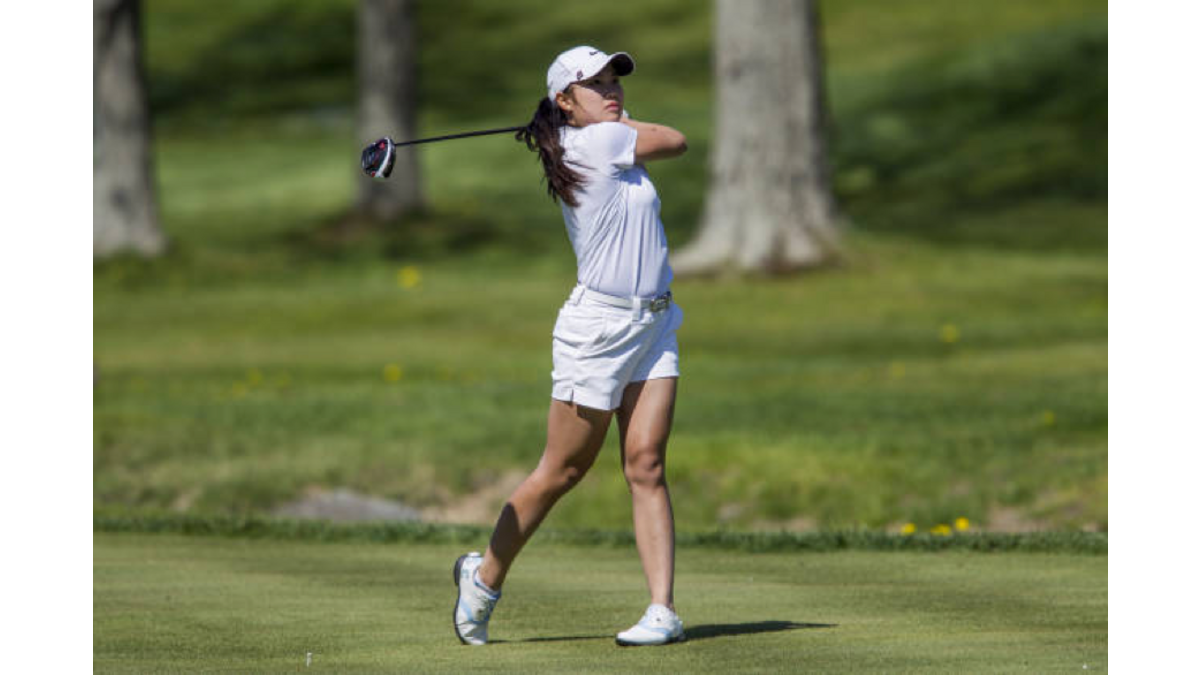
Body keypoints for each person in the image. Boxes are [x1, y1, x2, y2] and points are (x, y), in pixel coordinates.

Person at [452, 46, 689, 647]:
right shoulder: (602, 141)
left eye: (615, 82)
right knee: (563, 470)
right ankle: (483, 579)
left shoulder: (592, 139)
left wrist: (593, 118)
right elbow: (676, 140)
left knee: (646, 464)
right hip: (599, 331)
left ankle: (662, 610)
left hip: (655, 323)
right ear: (563, 99)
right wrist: (615, 121)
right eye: (596, 85)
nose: (613, 92)